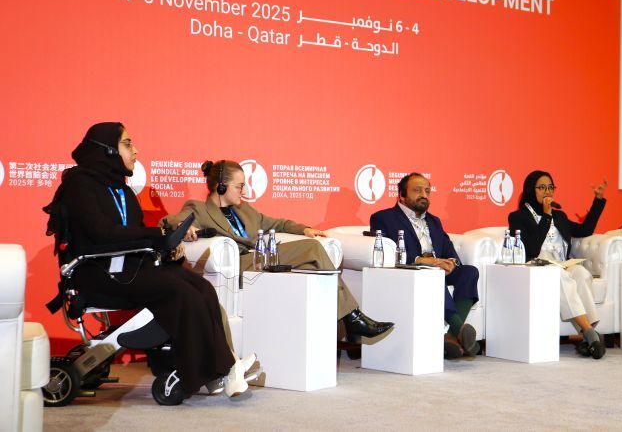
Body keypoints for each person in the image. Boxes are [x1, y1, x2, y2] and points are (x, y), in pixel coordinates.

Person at [43, 122, 255, 399]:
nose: (136, 151)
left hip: (127, 269)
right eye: (127, 144)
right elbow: (102, 234)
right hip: (95, 273)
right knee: (180, 292)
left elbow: (135, 236)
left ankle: (222, 368)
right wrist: (158, 236)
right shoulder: (80, 185)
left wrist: (166, 249)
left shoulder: (121, 189)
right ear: (107, 149)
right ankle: (208, 371)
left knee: (201, 287)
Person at [161, 160, 394, 345]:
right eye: (239, 186)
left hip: (259, 259)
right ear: (221, 187)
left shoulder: (245, 210)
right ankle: (353, 318)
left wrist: (305, 229)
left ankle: (326, 329)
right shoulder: (198, 208)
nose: (244, 191)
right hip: (237, 265)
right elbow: (169, 221)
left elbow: (278, 223)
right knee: (312, 249)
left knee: (311, 263)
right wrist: (184, 227)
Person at [370, 173, 481, 359]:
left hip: (437, 269)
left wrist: (451, 263)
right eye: (417, 190)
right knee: (432, 274)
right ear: (401, 195)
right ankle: (458, 329)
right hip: (411, 272)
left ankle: (451, 337)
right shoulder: (384, 218)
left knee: (469, 272)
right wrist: (421, 260)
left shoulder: (434, 221)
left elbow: (449, 250)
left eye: (427, 191)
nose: (424, 195)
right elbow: (386, 250)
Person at [508, 170, 608, 359]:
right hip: (536, 266)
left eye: (550, 187)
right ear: (531, 190)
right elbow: (532, 247)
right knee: (558, 275)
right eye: (542, 187)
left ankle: (588, 337)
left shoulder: (559, 216)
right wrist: (546, 216)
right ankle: (589, 332)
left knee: (581, 273)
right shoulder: (518, 217)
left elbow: (584, 230)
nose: (547, 191)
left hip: (562, 263)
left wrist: (598, 201)